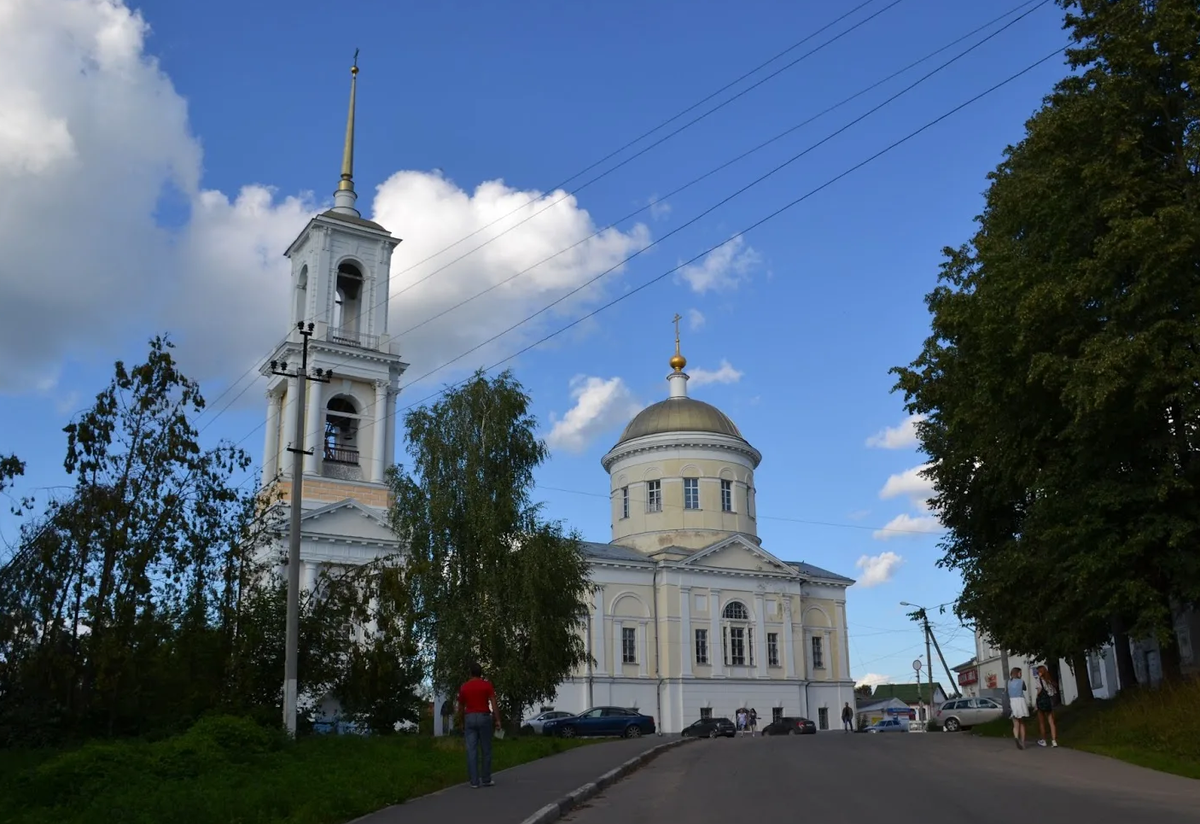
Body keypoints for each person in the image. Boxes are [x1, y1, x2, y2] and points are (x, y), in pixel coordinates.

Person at [458, 662, 501, 788]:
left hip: (469, 718)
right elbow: (493, 703)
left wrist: (461, 721)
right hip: (484, 717)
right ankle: (486, 779)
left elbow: (460, 707)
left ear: (470, 673)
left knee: (471, 751)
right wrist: (497, 720)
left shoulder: (464, 687)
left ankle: (474, 782)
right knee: (486, 749)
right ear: (481, 673)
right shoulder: (487, 685)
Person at [1035, 665, 1059, 748]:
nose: (1037, 673)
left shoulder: (1039, 680)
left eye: (1038, 672)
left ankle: (1044, 740)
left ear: (1041, 672)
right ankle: (1054, 741)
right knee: (1052, 722)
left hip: (1042, 703)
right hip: (1049, 703)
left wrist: (1036, 704)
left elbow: (1039, 691)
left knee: (1042, 722)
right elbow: (1053, 693)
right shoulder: (1050, 681)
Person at [1007, 666, 1030, 750]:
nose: (1021, 674)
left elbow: (1007, 691)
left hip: (1012, 702)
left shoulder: (1009, 682)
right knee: (1022, 723)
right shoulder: (1021, 681)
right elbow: (1024, 688)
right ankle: (1022, 742)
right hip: (1020, 701)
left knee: (1015, 723)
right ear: (1018, 673)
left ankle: (1016, 737)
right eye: (1020, 673)